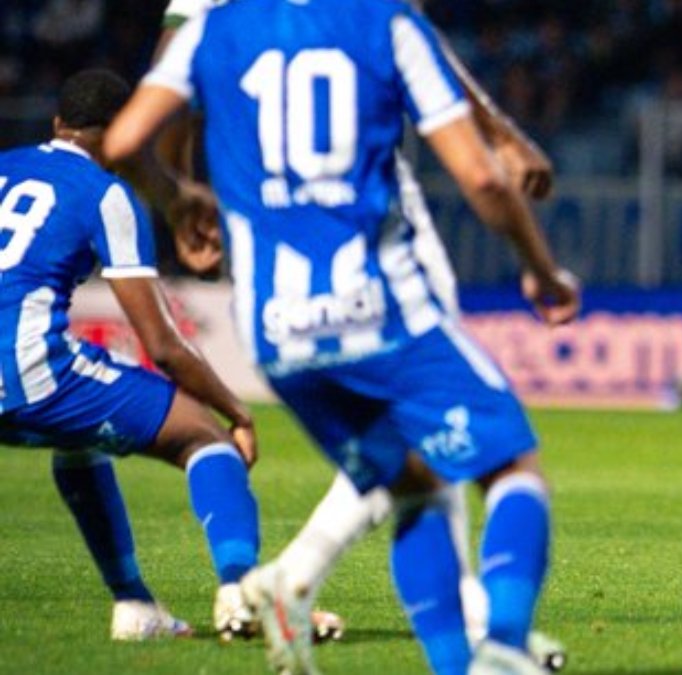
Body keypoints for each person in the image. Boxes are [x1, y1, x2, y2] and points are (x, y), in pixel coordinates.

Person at [104, 2, 581, 674]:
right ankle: (502, 644)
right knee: (510, 467)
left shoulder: (214, 29)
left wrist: (176, 195)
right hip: (379, 308)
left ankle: (439, 651)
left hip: (275, 333)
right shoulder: (385, 22)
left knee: (412, 483)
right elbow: (479, 177)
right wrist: (541, 268)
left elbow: (124, 142)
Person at [0, 68, 264, 641]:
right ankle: (242, 591)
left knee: (79, 440)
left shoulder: (7, 164)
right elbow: (164, 345)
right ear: (123, 133)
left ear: (57, 124)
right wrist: (236, 411)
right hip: (26, 372)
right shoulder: (105, 192)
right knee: (204, 437)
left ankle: (135, 605)